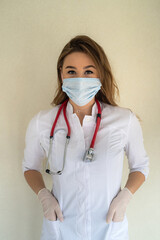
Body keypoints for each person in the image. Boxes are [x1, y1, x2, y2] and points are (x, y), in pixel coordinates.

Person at [22, 35, 149, 240]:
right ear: (61, 75)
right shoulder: (42, 122)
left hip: (109, 229)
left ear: (100, 74)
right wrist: (44, 196)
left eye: (88, 71)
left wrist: (125, 197)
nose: (79, 79)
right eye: (71, 71)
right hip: (61, 228)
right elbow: (30, 168)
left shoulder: (124, 120)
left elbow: (140, 167)